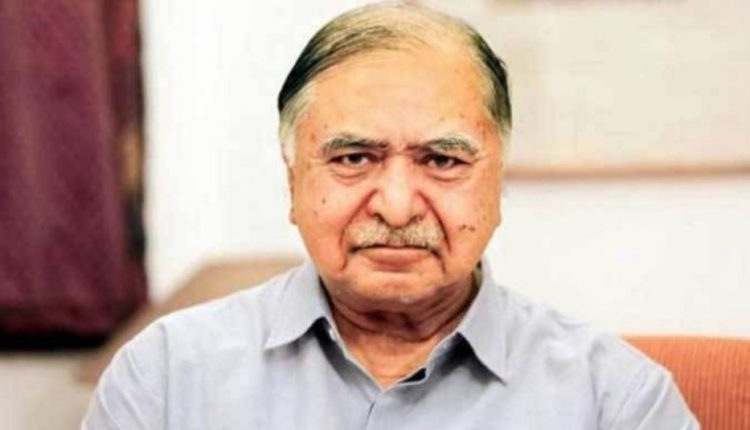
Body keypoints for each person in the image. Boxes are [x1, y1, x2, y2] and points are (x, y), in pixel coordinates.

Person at [82, 2, 699, 429]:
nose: (397, 207)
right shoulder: (166, 379)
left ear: (497, 182)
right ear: (293, 181)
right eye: (353, 158)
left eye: (443, 160)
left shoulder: (616, 400)